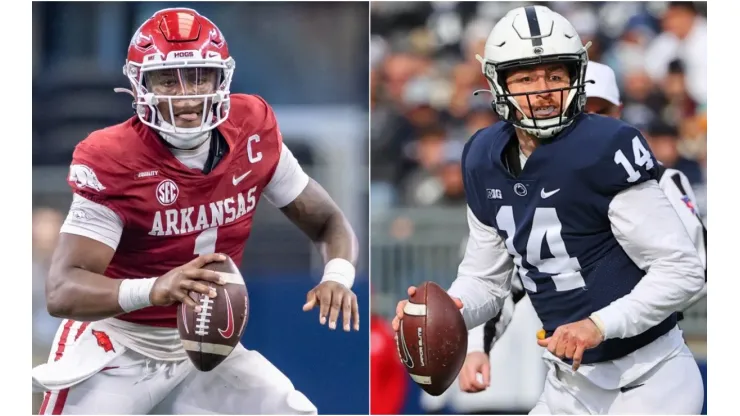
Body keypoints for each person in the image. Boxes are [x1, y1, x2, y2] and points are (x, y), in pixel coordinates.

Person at [33, 8, 360, 415]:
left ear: (222, 77)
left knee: (292, 410)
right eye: (168, 79)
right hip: (117, 346)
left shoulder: (252, 130)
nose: (186, 95)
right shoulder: (113, 157)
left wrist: (337, 276)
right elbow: (62, 290)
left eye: (200, 75)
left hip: (206, 347)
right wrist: (154, 288)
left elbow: (328, 222)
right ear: (139, 85)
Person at [392, 6, 705, 414]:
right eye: (525, 77)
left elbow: (682, 271)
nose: (543, 90)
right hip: (568, 387)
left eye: (555, 75)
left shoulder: (605, 147)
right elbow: (486, 281)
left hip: (649, 379)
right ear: (496, 82)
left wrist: (599, 324)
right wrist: (446, 313)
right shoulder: (483, 157)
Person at [457, 60, 708, 398]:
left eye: (600, 109)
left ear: (618, 110)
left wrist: (605, 322)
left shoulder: (649, 178)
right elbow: (507, 277)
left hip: (644, 363)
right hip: (570, 376)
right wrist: (472, 338)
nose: (589, 118)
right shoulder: (525, 180)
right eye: (584, 108)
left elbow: (692, 272)